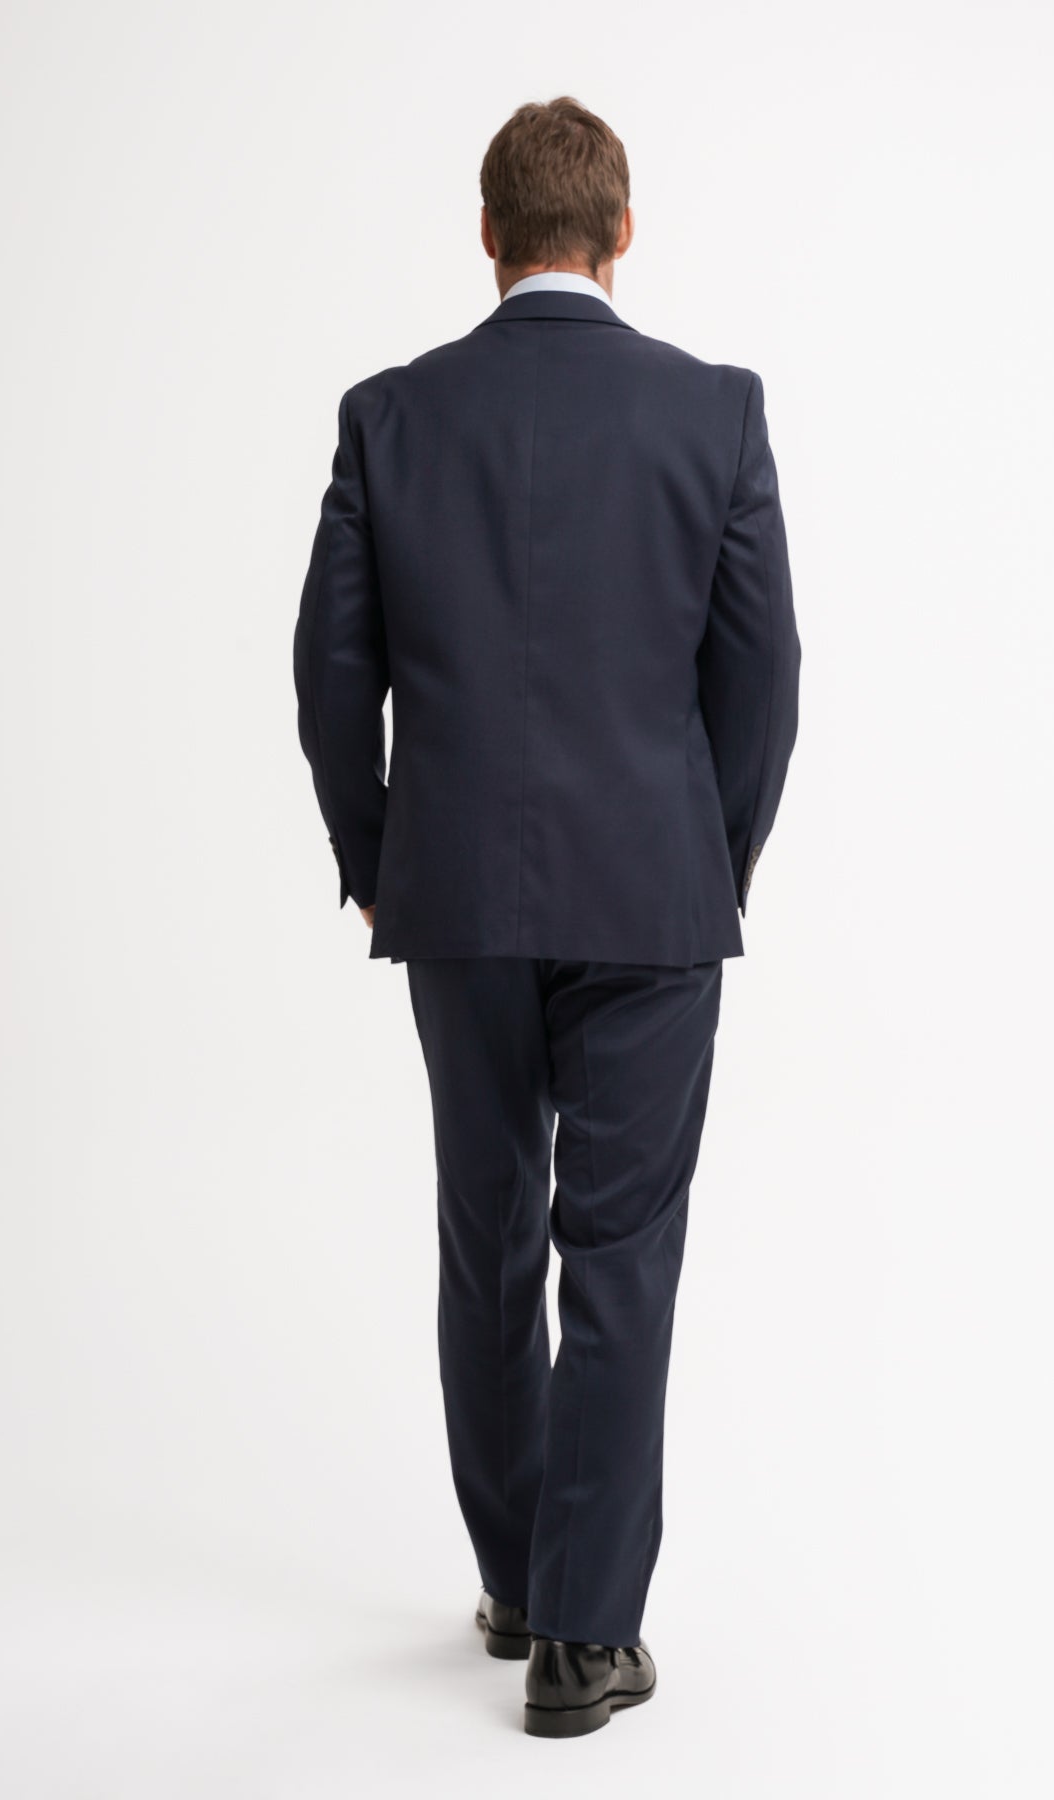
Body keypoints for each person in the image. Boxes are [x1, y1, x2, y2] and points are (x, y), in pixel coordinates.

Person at [293, 94, 801, 1738]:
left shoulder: (390, 417)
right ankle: (586, 1642)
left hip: (453, 895)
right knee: (620, 1254)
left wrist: (379, 855)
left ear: (489, 237)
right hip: (652, 893)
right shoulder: (711, 412)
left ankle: (520, 1582)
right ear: (622, 233)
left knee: (488, 1229)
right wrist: (710, 857)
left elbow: (329, 673)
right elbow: (763, 679)